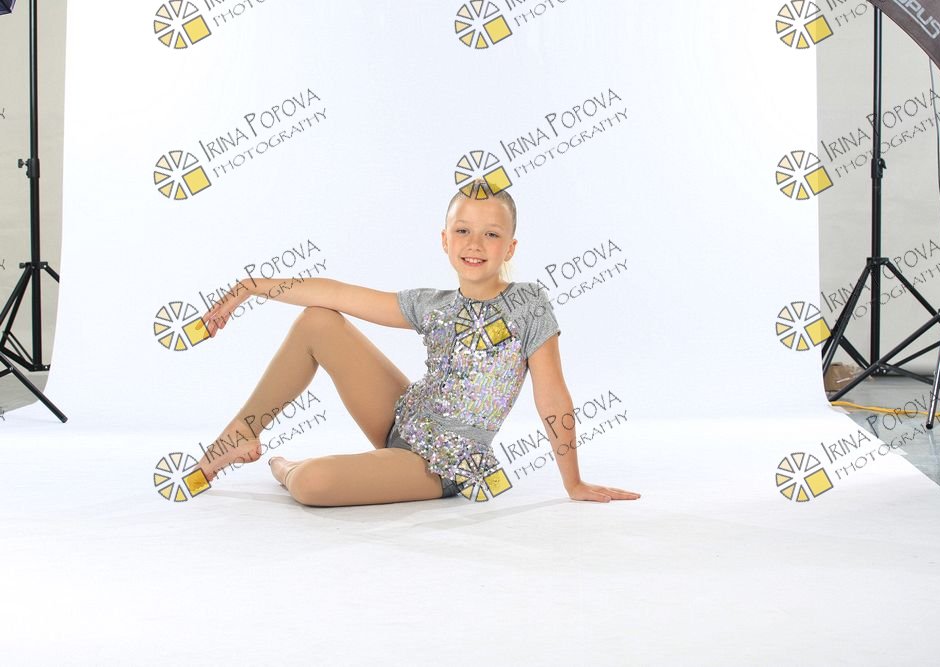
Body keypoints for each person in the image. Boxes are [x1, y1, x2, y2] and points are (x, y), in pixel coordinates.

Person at [194, 179, 640, 506]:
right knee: (318, 320)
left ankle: (285, 466)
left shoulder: (528, 304)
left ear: (510, 247)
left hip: (443, 463)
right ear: (445, 240)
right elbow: (337, 293)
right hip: (401, 419)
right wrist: (250, 288)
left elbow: (553, 396)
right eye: (463, 231)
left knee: (312, 484)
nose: (475, 243)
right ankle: (240, 436)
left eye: (491, 234)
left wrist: (573, 482)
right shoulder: (432, 304)